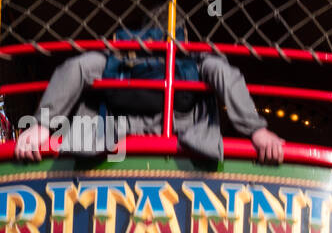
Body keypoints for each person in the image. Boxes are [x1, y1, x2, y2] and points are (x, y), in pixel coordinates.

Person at [14, 30, 284, 164]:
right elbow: (225, 73)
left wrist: (42, 126)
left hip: (113, 133)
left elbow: (75, 67)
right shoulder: (198, 61)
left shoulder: (116, 60)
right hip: (181, 133)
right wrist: (256, 130)